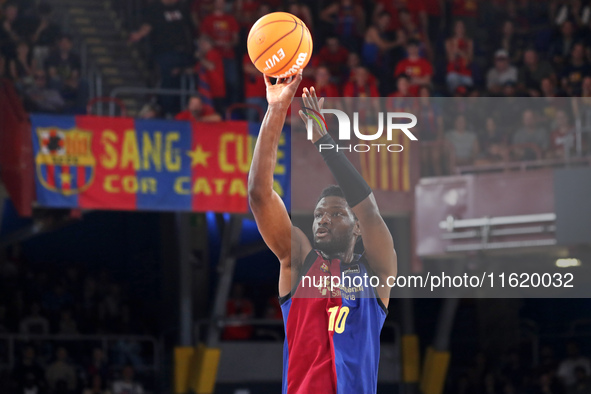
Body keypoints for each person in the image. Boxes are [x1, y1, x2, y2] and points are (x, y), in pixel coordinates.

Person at [248, 71, 397, 393]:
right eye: (318, 215)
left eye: (336, 213)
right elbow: (259, 194)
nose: (323, 220)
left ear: (357, 227)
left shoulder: (377, 273)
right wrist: (276, 110)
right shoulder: (298, 260)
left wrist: (324, 144)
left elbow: (369, 209)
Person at [129, 0, 193, 114]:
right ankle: (167, 110)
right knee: (167, 82)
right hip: (164, 52)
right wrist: (139, 35)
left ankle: (184, 111)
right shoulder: (155, 8)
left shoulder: (182, 7)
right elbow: (147, 25)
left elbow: (189, 26)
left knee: (184, 82)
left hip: (183, 52)